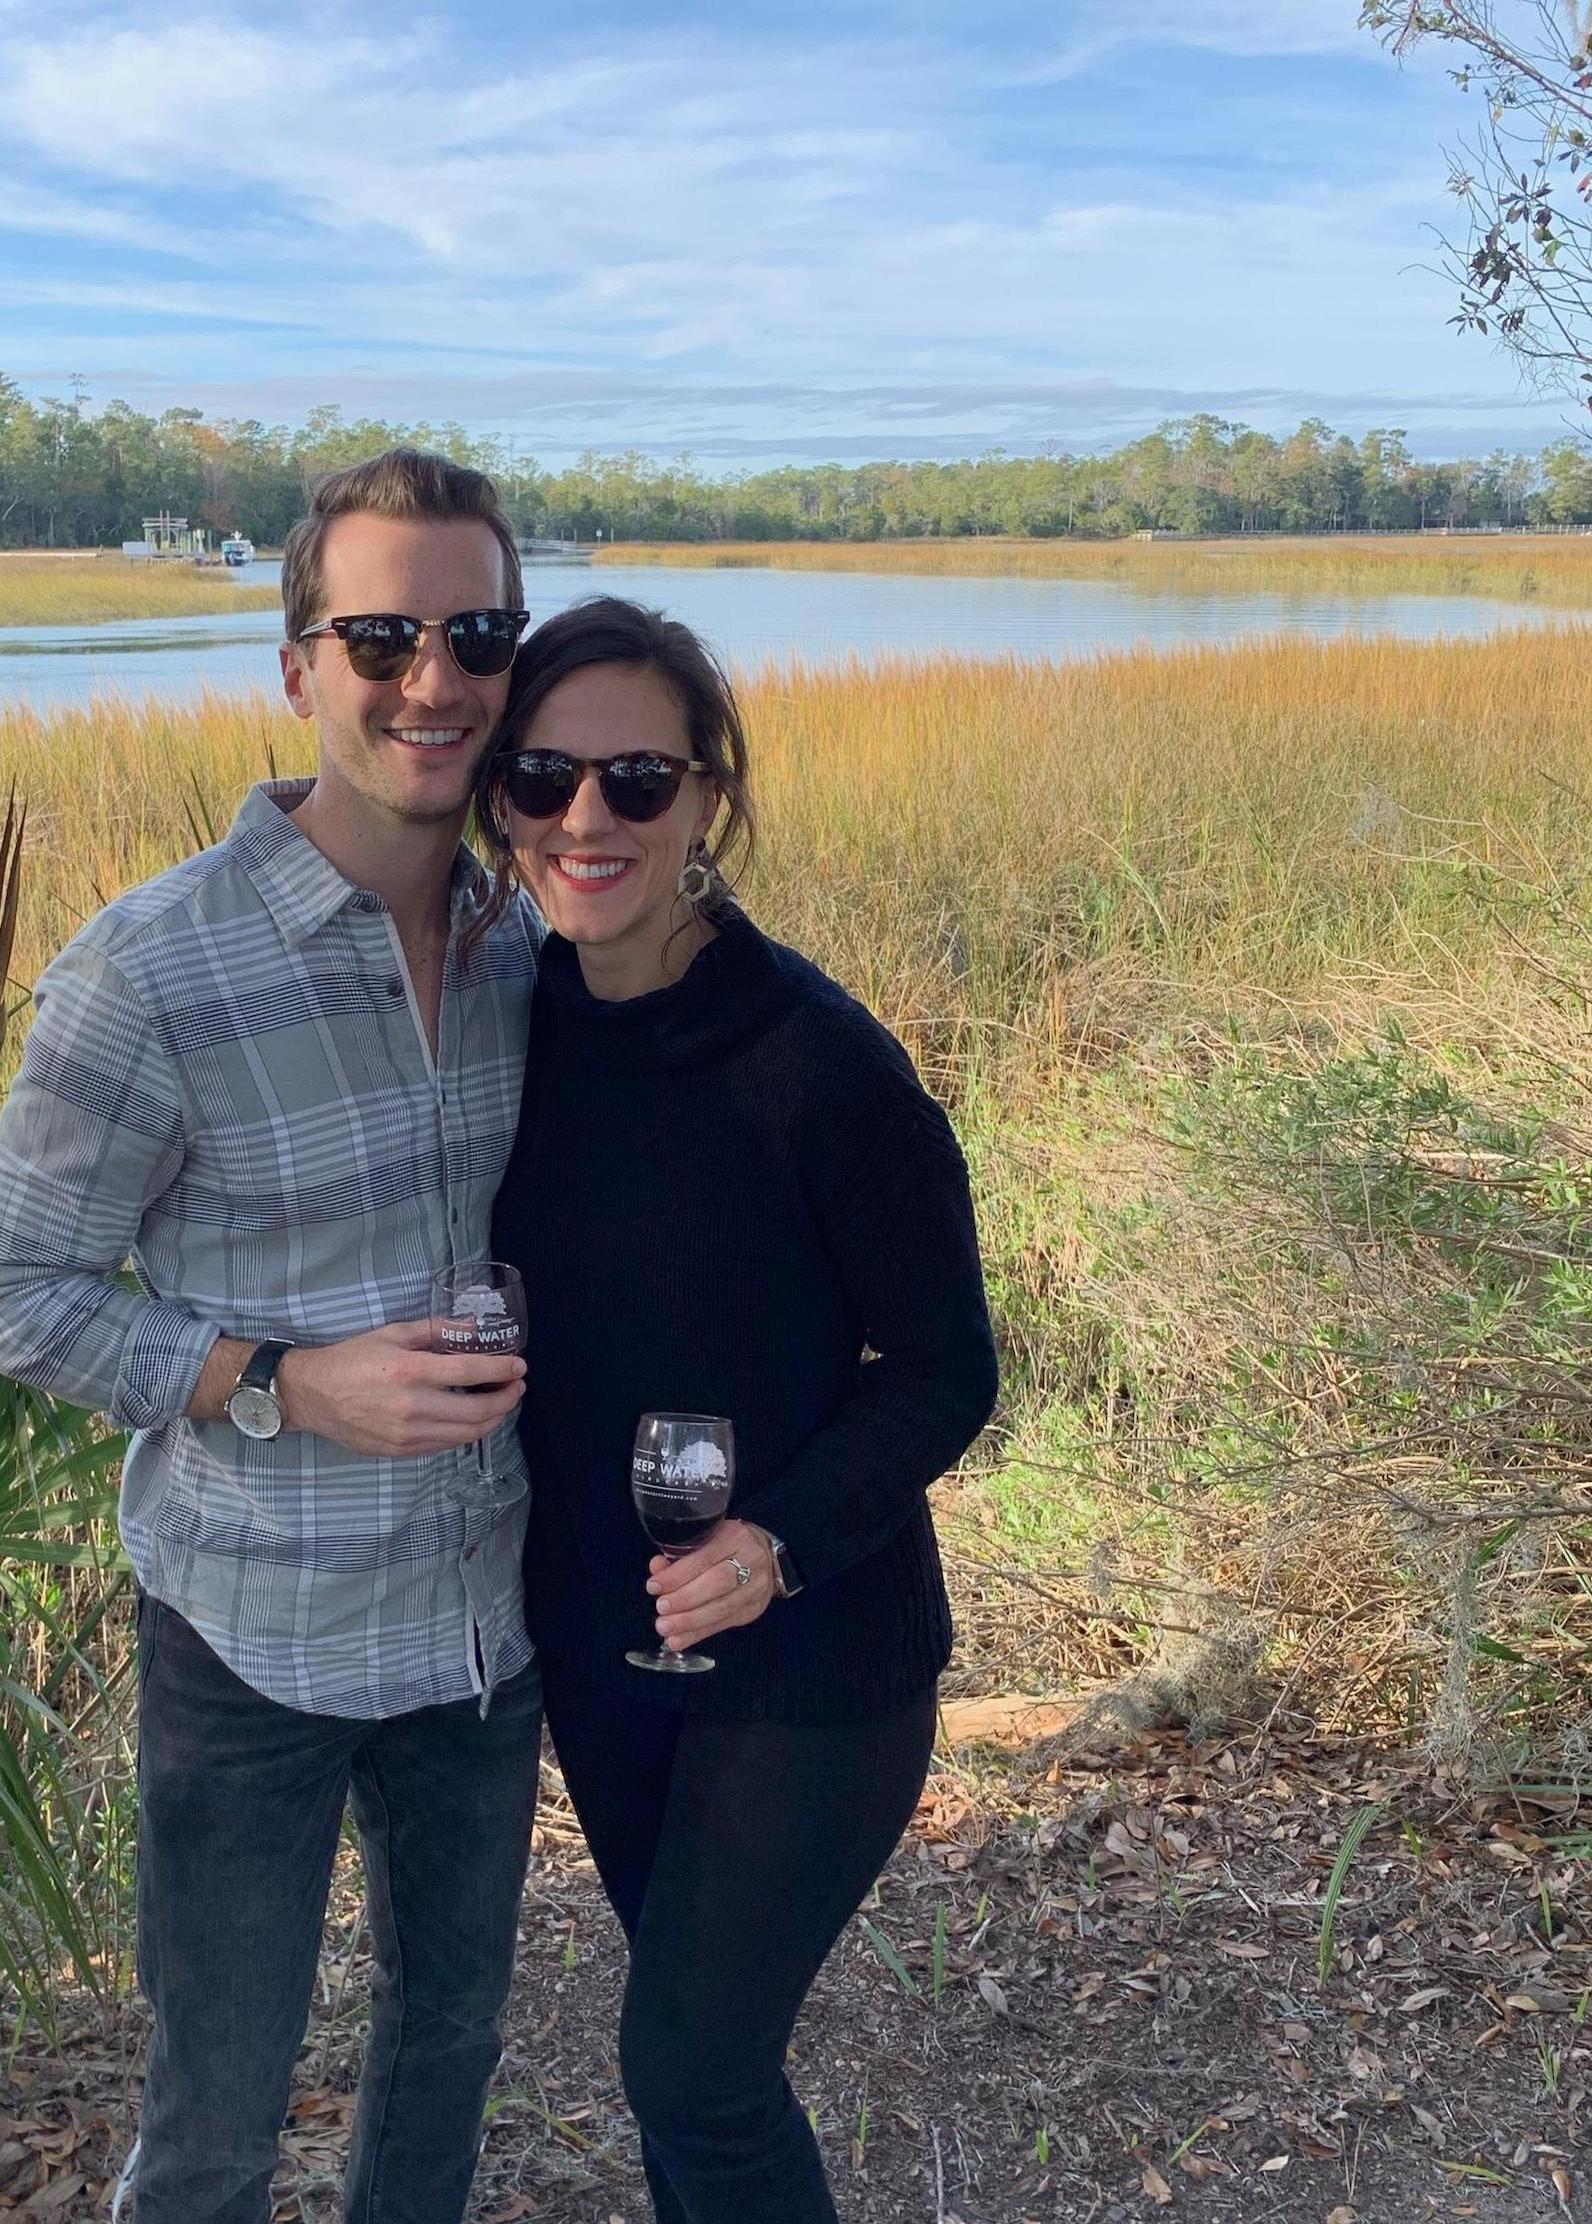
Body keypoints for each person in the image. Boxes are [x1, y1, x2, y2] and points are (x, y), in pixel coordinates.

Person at [0, 450, 550, 2224]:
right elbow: (11, 1293)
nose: (431, 681)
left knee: (448, 2042)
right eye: (380, 636)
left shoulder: (537, 930)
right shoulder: (151, 972)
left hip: (481, 1627)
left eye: (476, 634)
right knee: (216, 2104)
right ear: (297, 666)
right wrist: (281, 1384)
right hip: (252, 1632)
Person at [478, 597, 1000, 2224]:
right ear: (498, 796)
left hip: (812, 1661)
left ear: (707, 795)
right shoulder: (504, 1024)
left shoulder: (819, 1064)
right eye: (544, 777)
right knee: (692, 2061)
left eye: (637, 780)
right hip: (597, 1643)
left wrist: (778, 1538)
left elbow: (946, 1370)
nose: (587, 820)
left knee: (688, 2066)